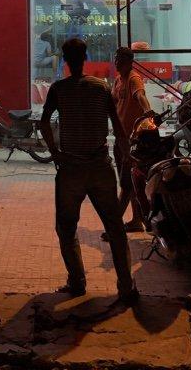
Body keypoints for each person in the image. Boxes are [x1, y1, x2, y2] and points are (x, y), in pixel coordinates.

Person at [40, 37, 138, 304]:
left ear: (64, 60)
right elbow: (118, 127)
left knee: (66, 228)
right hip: (100, 167)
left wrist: (54, 152)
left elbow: (44, 123)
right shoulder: (101, 87)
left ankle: (77, 282)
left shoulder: (58, 89)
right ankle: (126, 286)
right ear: (85, 58)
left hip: (70, 168)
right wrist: (127, 156)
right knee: (115, 228)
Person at [112, 43, 152, 232]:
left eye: (120, 60)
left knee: (127, 184)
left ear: (129, 62)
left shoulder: (134, 78)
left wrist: (148, 111)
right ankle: (137, 219)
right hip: (120, 138)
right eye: (116, 60)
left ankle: (114, 227)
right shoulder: (118, 80)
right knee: (129, 182)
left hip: (131, 140)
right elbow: (113, 102)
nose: (116, 63)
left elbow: (140, 95)